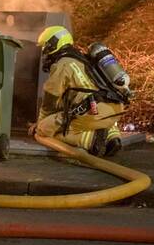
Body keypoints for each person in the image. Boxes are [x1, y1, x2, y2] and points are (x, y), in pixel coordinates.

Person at [33, 26, 125, 157]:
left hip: (93, 112)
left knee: (44, 130)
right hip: (113, 108)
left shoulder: (62, 64)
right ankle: (112, 135)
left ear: (53, 45)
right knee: (70, 117)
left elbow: (50, 99)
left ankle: (92, 140)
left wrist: (40, 122)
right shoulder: (81, 58)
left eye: (45, 47)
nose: (44, 53)